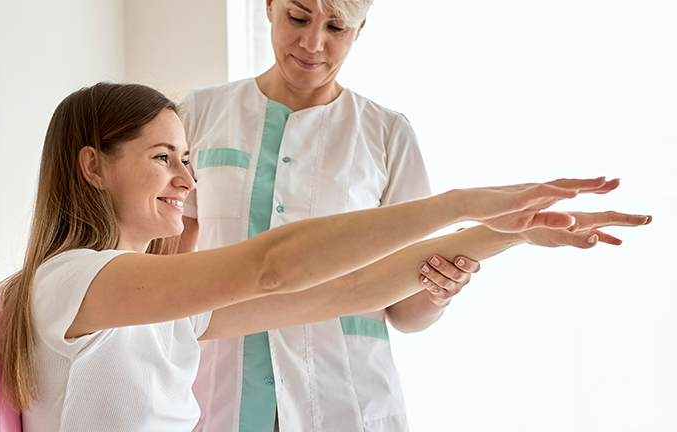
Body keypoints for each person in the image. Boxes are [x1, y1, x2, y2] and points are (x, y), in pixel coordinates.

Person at [0, 82, 650, 431]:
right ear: (92, 166)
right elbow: (270, 266)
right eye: (162, 158)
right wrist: (459, 204)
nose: (187, 182)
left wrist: (512, 232)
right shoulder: (72, 280)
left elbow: (346, 293)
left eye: (188, 159)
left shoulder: (163, 308)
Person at [175, 0, 598, 429]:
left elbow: (407, 312)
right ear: (269, 7)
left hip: (345, 397)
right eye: (297, 18)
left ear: (359, 30)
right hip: (217, 391)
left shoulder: (386, 133)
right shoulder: (200, 114)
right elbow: (170, 268)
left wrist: (438, 292)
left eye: (337, 28)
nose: (312, 43)